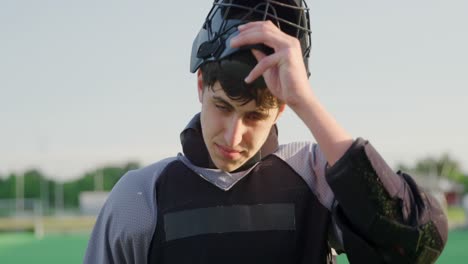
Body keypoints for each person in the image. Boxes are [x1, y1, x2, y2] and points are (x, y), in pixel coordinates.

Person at [84, 1, 448, 263]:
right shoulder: (140, 198)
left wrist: (308, 101)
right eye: (222, 106)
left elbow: (417, 244)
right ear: (200, 86)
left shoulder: (315, 175)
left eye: (256, 116)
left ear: (283, 107)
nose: (232, 137)